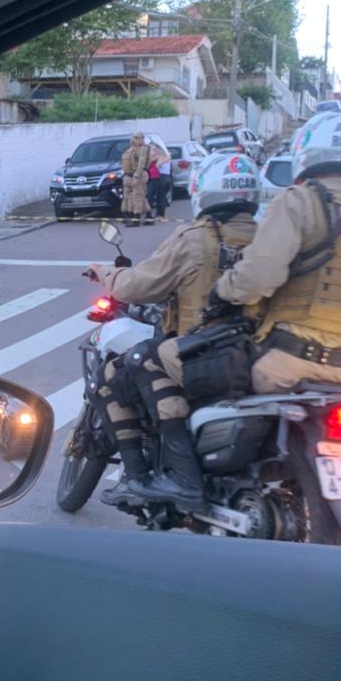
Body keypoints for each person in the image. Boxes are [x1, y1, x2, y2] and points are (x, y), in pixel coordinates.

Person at [130, 110, 341, 506]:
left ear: (307, 153)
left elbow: (257, 277)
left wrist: (222, 292)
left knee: (154, 358)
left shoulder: (299, 202)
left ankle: (182, 477)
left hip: (282, 361)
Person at [87, 153, 260, 507]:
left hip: (201, 354)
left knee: (119, 372)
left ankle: (142, 477)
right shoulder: (267, 239)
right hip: (254, 354)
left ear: (203, 190)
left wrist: (105, 272)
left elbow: (139, 286)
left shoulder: (194, 239)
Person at [121, 132, 151, 226]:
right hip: (131, 174)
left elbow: (141, 163)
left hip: (139, 174)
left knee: (137, 197)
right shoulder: (133, 149)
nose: (135, 139)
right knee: (138, 196)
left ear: (142, 138)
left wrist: (136, 176)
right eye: (134, 137)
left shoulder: (143, 149)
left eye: (137, 138)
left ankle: (136, 219)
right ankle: (149, 216)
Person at [147, 141, 173, 222]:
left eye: (154, 149)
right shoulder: (167, 156)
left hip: (162, 178)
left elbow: (158, 165)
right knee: (161, 197)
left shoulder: (160, 157)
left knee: (160, 197)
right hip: (168, 177)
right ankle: (160, 214)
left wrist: (155, 162)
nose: (153, 151)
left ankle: (161, 215)